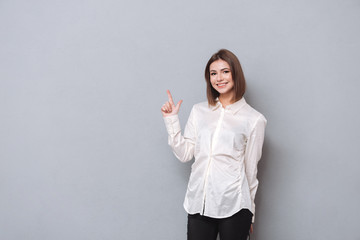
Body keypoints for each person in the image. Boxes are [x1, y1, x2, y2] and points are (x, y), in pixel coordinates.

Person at [161, 49, 267, 240]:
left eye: (225, 71)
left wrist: (250, 213)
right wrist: (171, 120)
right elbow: (185, 153)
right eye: (213, 73)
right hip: (199, 202)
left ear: (236, 74)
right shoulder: (199, 111)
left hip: (234, 205)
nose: (219, 78)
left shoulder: (254, 119)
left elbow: (251, 171)